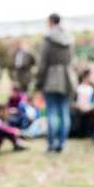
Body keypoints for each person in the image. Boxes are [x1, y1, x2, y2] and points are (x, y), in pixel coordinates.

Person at [36, 13, 77, 153]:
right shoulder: (69, 38)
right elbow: (73, 60)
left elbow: (42, 63)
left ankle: (52, 144)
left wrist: (38, 82)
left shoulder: (48, 39)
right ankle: (62, 143)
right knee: (64, 111)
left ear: (50, 22)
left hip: (51, 79)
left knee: (52, 112)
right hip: (67, 78)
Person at [70, 68, 94, 138]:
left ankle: (89, 133)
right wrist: (78, 106)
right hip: (78, 107)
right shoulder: (77, 87)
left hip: (89, 108)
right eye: (91, 76)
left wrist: (91, 106)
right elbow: (72, 100)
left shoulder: (93, 88)